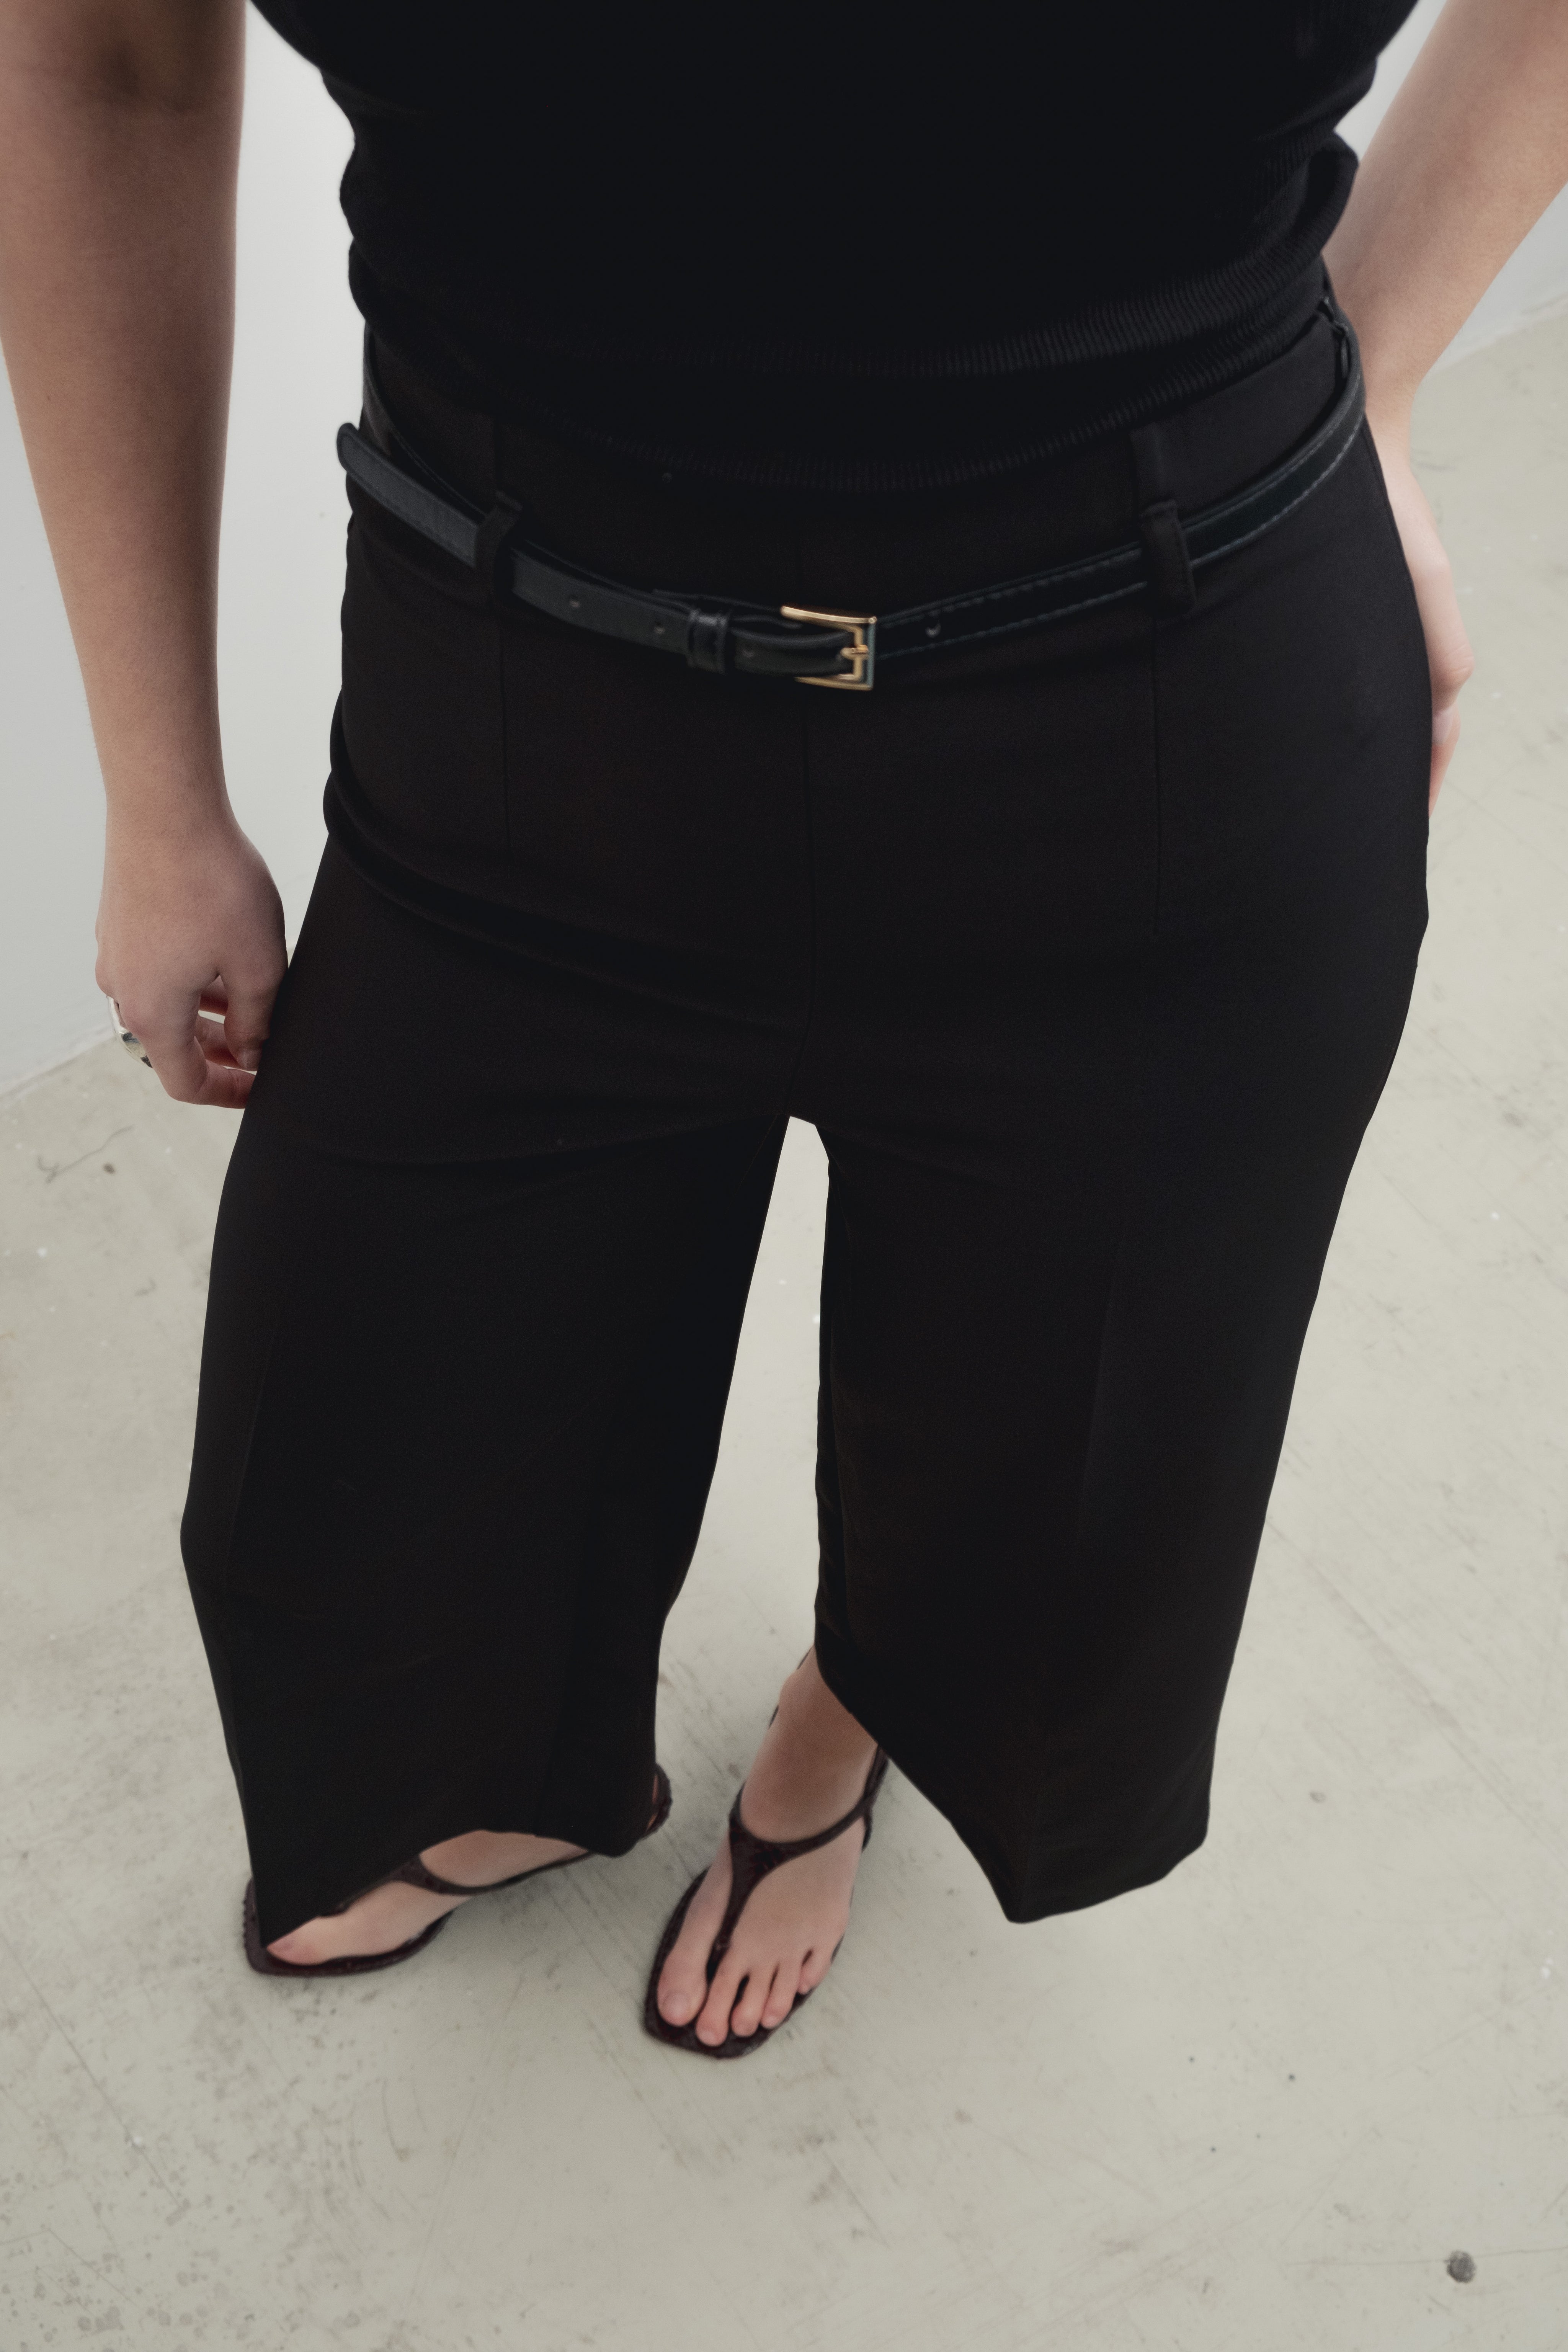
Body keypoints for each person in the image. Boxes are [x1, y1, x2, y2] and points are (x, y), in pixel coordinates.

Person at [2, 0, 1564, 2061]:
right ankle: (494, 1766)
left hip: (1162, 675)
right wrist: (159, 790)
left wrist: (1382, 373)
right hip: (515, 675)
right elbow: (105, 61)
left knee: (1045, 1453)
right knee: (365, 1455)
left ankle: (842, 1728)